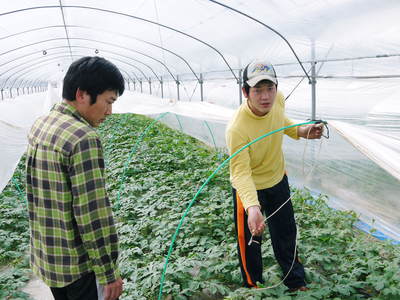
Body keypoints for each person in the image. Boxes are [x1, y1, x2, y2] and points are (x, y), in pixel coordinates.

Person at [26, 56, 125, 300]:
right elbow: (91, 213)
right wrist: (108, 273)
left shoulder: (42, 123)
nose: (110, 111)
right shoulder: (83, 137)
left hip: (49, 258)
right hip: (78, 267)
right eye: (108, 101)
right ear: (82, 94)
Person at [225, 59, 323, 292]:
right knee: (251, 240)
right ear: (245, 92)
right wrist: (252, 207)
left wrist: (303, 131)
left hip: (278, 179)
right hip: (249, 188)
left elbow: (282, 123)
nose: (265, 96)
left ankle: (295, 281)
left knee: (286, 233)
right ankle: (253, 285)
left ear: (276, 88)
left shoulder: (277, 100)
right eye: (257, 90)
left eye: (270, 88)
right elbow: (240, 173)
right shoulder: (237, 129)